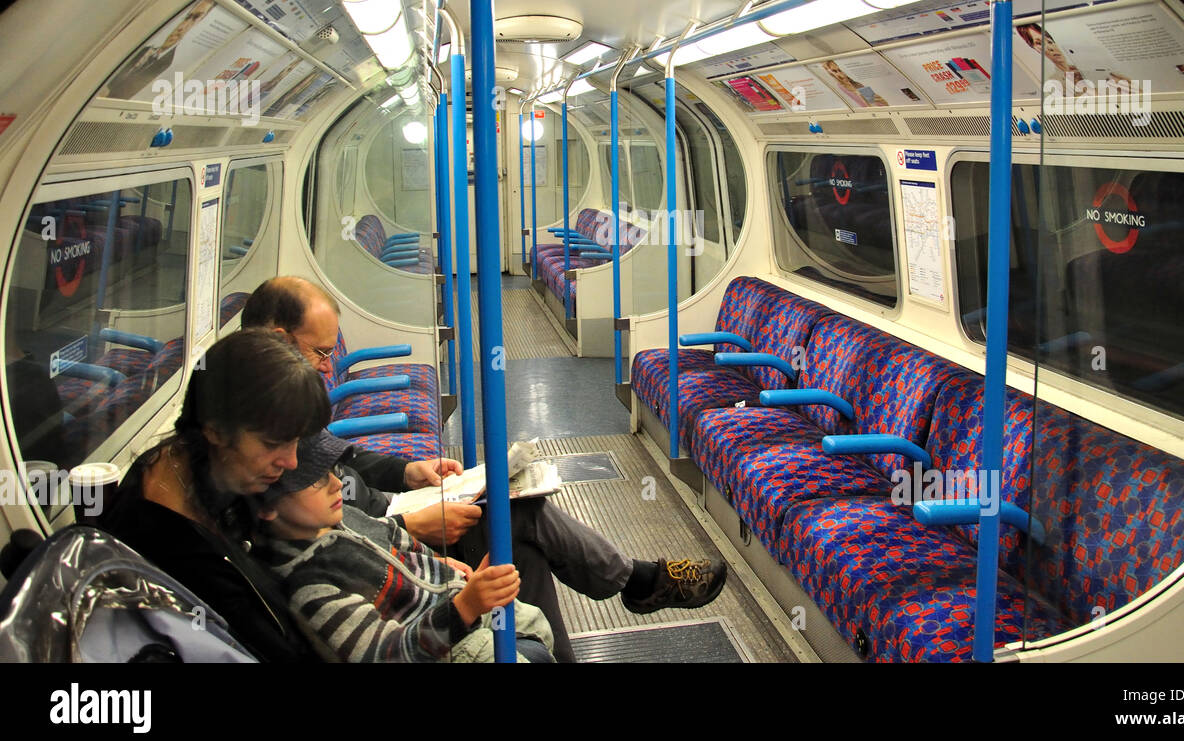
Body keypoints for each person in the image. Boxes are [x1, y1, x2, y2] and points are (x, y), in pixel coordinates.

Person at [241, 276, 729, 662]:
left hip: (393, 513)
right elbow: (326, 538)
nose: (329, 369)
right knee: (517, 521)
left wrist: (411, 472)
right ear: (281, 339)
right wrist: (409, 524)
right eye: (323, 352)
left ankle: (599, 613)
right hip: (389, 533)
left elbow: (346, 459)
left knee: (515, 528)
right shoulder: (259, 434)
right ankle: (637, 582)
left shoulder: (283, 407)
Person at [99, 329, 336, 662]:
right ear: (215, 429)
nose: (291, 461)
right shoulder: (171, 552)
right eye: (272, 445)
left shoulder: (214, 465)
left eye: (295, 441)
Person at [255, 429, 555, 663]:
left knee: (535, 622)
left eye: (333, 471)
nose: (337, 485)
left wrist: (443, 564)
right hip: (440, 640)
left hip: (443, 599)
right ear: (267, 508)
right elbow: (389, 655)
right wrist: (465, 607)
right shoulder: (312, 587)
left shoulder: (342, 517)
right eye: (316, 482)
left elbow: (401, 541)